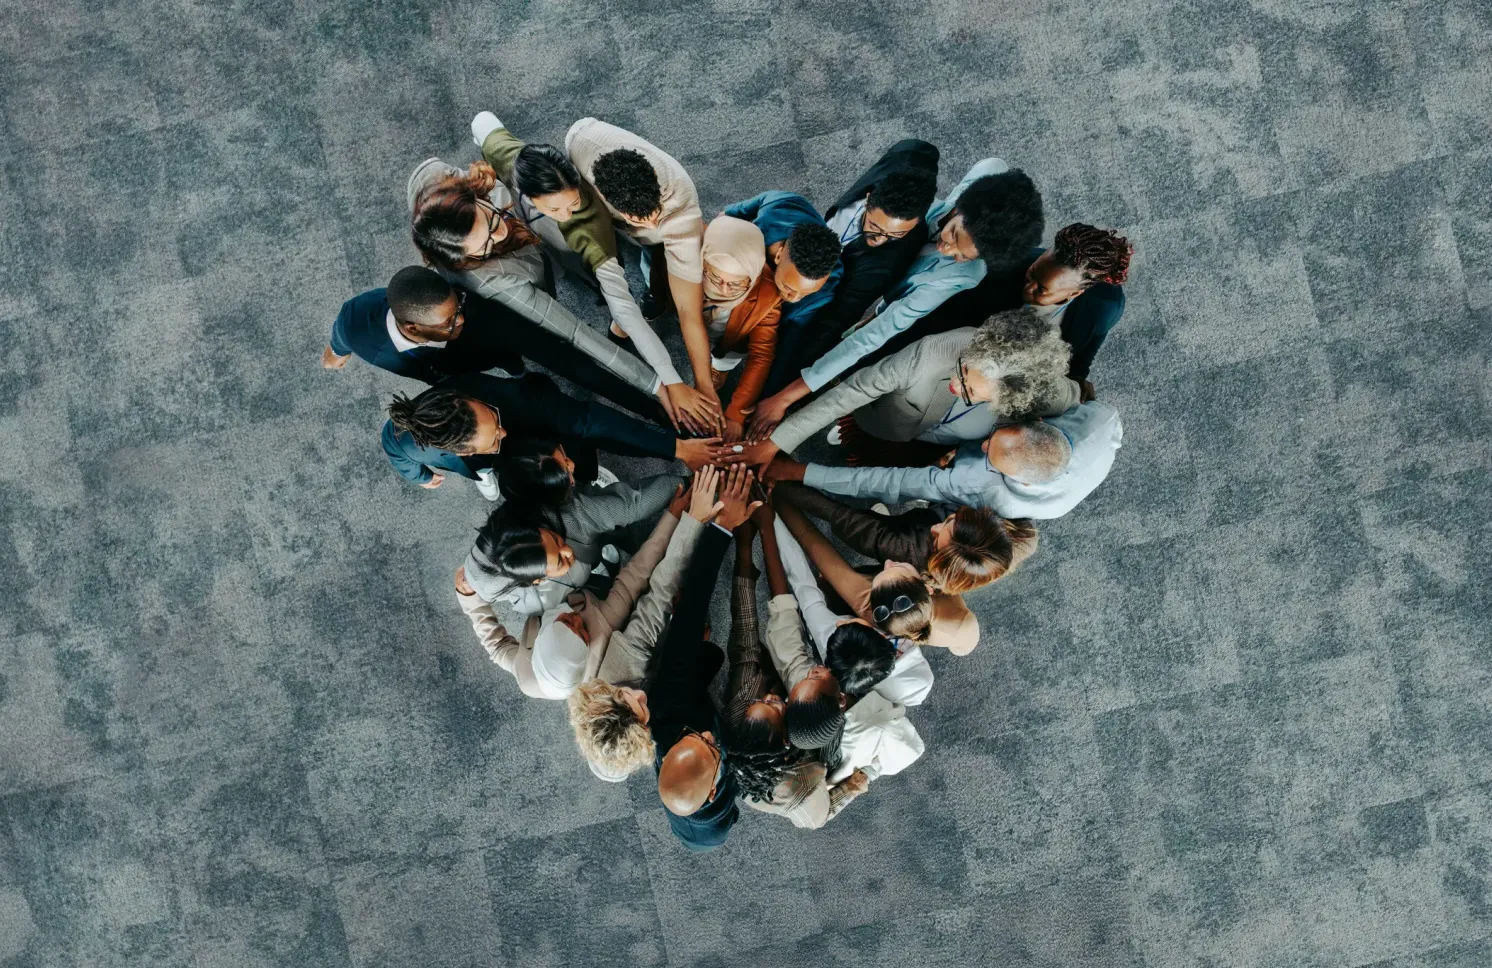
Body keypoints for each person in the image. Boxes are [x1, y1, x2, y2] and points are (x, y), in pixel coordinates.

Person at [750, 159, 1044, 436]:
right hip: (859, 267)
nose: (946, 249)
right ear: (959, 208)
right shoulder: (955, 200)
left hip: (894, 312)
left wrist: (784, 399)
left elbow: (877, 333)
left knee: (843, 342)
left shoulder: (963, 276)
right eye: (953, 234)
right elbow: (991, 164)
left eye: (961, 255)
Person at [468, 113, 716, 428]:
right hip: (528, 234)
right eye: (555, 208)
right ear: (525, 191)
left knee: (596, 281)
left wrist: (673, 380)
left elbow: (626, 309)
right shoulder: (515, 161)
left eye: (571, 204)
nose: (566, 213)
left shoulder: (590, 229)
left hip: (576, 251)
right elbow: (483, 121)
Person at [406, 155, 675, 425]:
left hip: (527, 259)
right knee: (573, 360)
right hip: (512, 310)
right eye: (485, 243)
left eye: (488, 219)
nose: (500, 233)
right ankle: (655, 411)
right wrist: (658, 385)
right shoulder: (489, 282)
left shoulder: (431, 174)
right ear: (463, 256)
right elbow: (575, 332)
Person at [738, 306, 1077, 471]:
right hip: (886, 421)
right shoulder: (930, 353)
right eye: (962, 372)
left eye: (972, 393)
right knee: (864, 431)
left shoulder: (1047, 392)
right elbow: (853, 391)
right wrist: (777, 442)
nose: (957, 387)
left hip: (940, 445)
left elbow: (1076, 397)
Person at [453, 482, 699, 700]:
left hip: (576, 595)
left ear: (539, 641)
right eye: (582, 631)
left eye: (566, 622)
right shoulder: (602, 630)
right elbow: (635, 575)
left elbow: (496, 645)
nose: (577, 617)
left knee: (582, 575)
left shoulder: (526, 674)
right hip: (610, 614)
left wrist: (470, 599)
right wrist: (673, 518)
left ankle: (599, 559)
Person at [564, 117, 725, 433]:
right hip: (596, 201)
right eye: (638, 218)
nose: (650, 225)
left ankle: (652, 296)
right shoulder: (580, 151)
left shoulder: (681, 207)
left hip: (676, 226)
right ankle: (634, 310)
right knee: (613, 266)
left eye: (654, 214)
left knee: (665, 269)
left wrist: (703, 385)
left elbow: (689, 313)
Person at [720, 508, 869, 828]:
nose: (772, 698)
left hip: (767, 711)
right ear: (789, 737)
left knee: (751, 648)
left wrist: (745, 546)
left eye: (763, 700)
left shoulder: (741, 707)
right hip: (814, 767)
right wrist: (852, 789)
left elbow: (743, 628)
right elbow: (821, 816)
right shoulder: (808, 783)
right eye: (774, 705)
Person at [760, 511, 927, 784]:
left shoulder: (814, 672)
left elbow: (794, 599)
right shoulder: (907, 694)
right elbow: (912, 749)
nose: (839, 623)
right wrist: (866, 775)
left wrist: (770, 523)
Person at [566, 479, 713, 781]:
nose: (644, 699)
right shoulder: (622, 721)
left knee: (651, 584)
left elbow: (656, 591)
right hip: (642, 640)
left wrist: (688, 520)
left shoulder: (619, 664)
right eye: (643, 715)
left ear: (613, 693)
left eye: (634, 698)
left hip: (605, 609)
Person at [650, 465, 762, 851]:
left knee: (690, 624)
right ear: (715, 789)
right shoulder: (710, 795)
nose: (713, 735)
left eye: (699, 736)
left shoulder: (666, 706)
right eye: (714, 747)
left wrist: (723, 526)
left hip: (683, 678)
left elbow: (694, 602)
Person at [380, 372, 726, 496]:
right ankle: (483, 473)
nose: (502, 430)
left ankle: (586, 473)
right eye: (494, 437)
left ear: (465, 399)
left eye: (494, 419)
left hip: (535, 419)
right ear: (465, 451)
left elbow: (591, 420)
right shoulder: (402, 439)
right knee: (507, 476)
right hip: (481, 463)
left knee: (577, 454)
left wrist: (675, 447)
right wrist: (422, 478)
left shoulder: (516, 403)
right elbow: (396, 455)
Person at [765, 400, 1123, 520]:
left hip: (971, 494)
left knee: (913, 487)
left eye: (991, 457)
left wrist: (799, 471)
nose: (982, 447)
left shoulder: (980, 485)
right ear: (1039, 422)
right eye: (991, 442)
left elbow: (888, 481)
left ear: (1023, 482)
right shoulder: (1101, 420)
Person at [903, 223, 1134, 400]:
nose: (1028, 287)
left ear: (1073, 294)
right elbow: (941, 323)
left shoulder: (1105, 305)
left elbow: (1085, 350)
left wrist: (1078, 378)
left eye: (1041, 289)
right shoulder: (1002, 270)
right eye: (1032, 273)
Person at [793, 140, 940, 378]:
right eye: (874, 226)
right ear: (869, 198)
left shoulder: (882, 268)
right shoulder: (885, 177)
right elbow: (911, 152)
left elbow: (835, 321)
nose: (880, 240)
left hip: (826, 296)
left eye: (895, 235)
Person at [774, 498, 979, 655]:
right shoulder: (959, 614)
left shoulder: (867, 605)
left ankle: (830, 587)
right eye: (892, 567)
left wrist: (778, 500)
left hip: (875, 607)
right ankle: (884, 525)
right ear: (929, 587)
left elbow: (808, 537)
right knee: (896, 547)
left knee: (830, 577)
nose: (888, 562)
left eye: (887, 569)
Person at [773, 482, 1038, 595]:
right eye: (949, 522)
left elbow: (838, 515)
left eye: (938, 538)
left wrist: (777, 481)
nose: (935, 528)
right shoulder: (1020, 534)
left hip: (891, 537)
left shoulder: (898, 547)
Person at [720, 190, 844, 393]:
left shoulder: (827, 286)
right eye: (788, 287)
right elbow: (734, 212)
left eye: (804, 293)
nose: (794, 298)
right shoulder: (778, 205)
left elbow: (789, 339)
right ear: (778, 256)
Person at [321, 266, 524, 381]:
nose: (460, 319)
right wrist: (336, 352)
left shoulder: (452, 302)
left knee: (500, 352)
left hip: (477, 343)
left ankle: (518, 372)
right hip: (436, 369)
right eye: (449, 320)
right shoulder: (359, 326)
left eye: (457, 307)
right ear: (413, 328)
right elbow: (343, 332)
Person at [698, 216, 782, 441]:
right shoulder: (686, 256)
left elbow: (761, 355)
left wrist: (735, 415)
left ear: (753, 277)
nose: (724, 291)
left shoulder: (769, 295)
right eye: (715, 277)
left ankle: (720, 368)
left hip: (733, 340)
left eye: (736, 284)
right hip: (700, 323)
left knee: (727, 356)